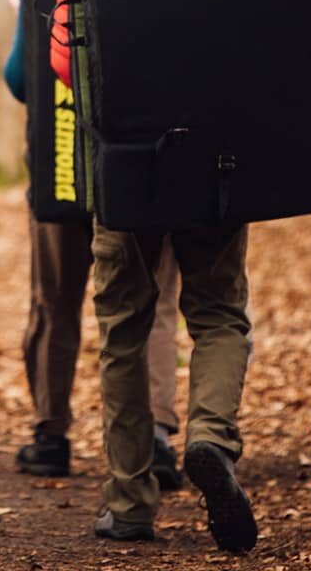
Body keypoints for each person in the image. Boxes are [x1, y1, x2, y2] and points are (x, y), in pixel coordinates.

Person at [1, 0, 186, 490]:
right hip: (140, 164)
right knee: (156, 303)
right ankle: (157, 438)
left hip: (63, 162)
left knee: (54, 299)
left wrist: (26, 13)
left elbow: (21, 78)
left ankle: (50, 434)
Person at [90, 223, 256, 553]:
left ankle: (129, 502)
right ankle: (212, 436)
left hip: (126, 183)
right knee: (219, 314)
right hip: (214, 181)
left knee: (122, 330)